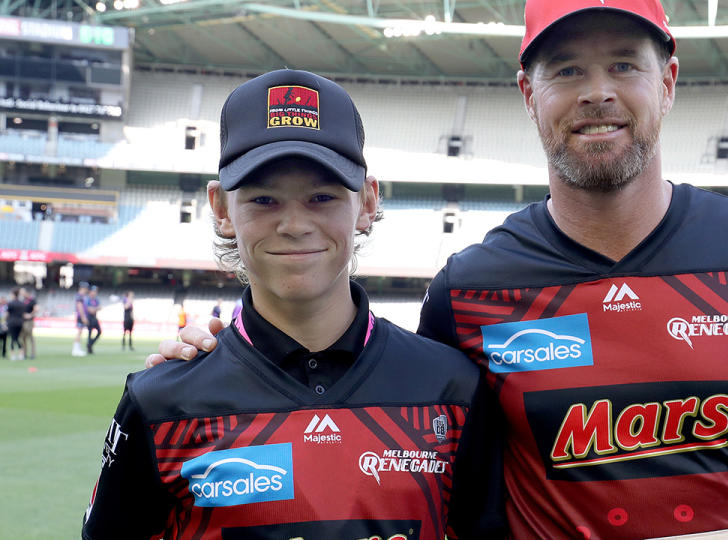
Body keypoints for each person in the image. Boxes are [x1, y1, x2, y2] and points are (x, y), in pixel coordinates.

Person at [148, 1, 728, 538]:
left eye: (624, 65)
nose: (597, 91)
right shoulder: (470, 290)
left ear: (668, 81)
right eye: (568, 69)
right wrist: (218, 361)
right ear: (528, 94)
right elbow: (388, 408)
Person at [84, 69, 504, 540]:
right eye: (264, 200)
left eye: (322, 197)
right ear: (221, 209)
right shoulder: (161, 398)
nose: (294, 224)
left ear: (367, 201)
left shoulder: (451, 386)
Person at [5, 288, 26, 361]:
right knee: (16, 338)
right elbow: (23, 314)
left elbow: (7, 314)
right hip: (20, 323)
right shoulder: (22, 303)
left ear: (13, 294)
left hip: (12, 323)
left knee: (13, 339)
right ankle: (21, 354)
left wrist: (5, 321)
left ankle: (13, 355)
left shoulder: (10, 303)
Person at [72, 282, 90, 357]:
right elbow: (80, 307)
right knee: (79, 332)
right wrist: (83, 317)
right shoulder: (79, 296)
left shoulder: (81, 296)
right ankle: (75, 350)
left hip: (81, 316)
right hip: (80, 316)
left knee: (80, 332)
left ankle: (78, 349)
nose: (87, 290)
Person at [20, 287, 37, 359]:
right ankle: (24, 353)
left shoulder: (32, 300)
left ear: (26, 293)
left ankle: (33, 354)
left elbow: (36, 309)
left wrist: (30, 315)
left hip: (29, 322)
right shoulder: (23, 300)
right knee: (23, 338)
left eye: (22, 292)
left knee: (30, 337)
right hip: (22, 321)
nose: (21, 294)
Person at [85, 285, 102, 355]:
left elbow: (100, 307)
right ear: (90, 291)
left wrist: (94, 309)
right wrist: (95, 308)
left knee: (99, 332)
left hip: (94, 318)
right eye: (94, 291)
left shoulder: (96, 299)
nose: (95, 293)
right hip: (89, 317)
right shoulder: (87, 299)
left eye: (96, 291)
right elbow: (90, 310)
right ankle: (89, 348)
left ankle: (90, 344)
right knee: (90, 333)